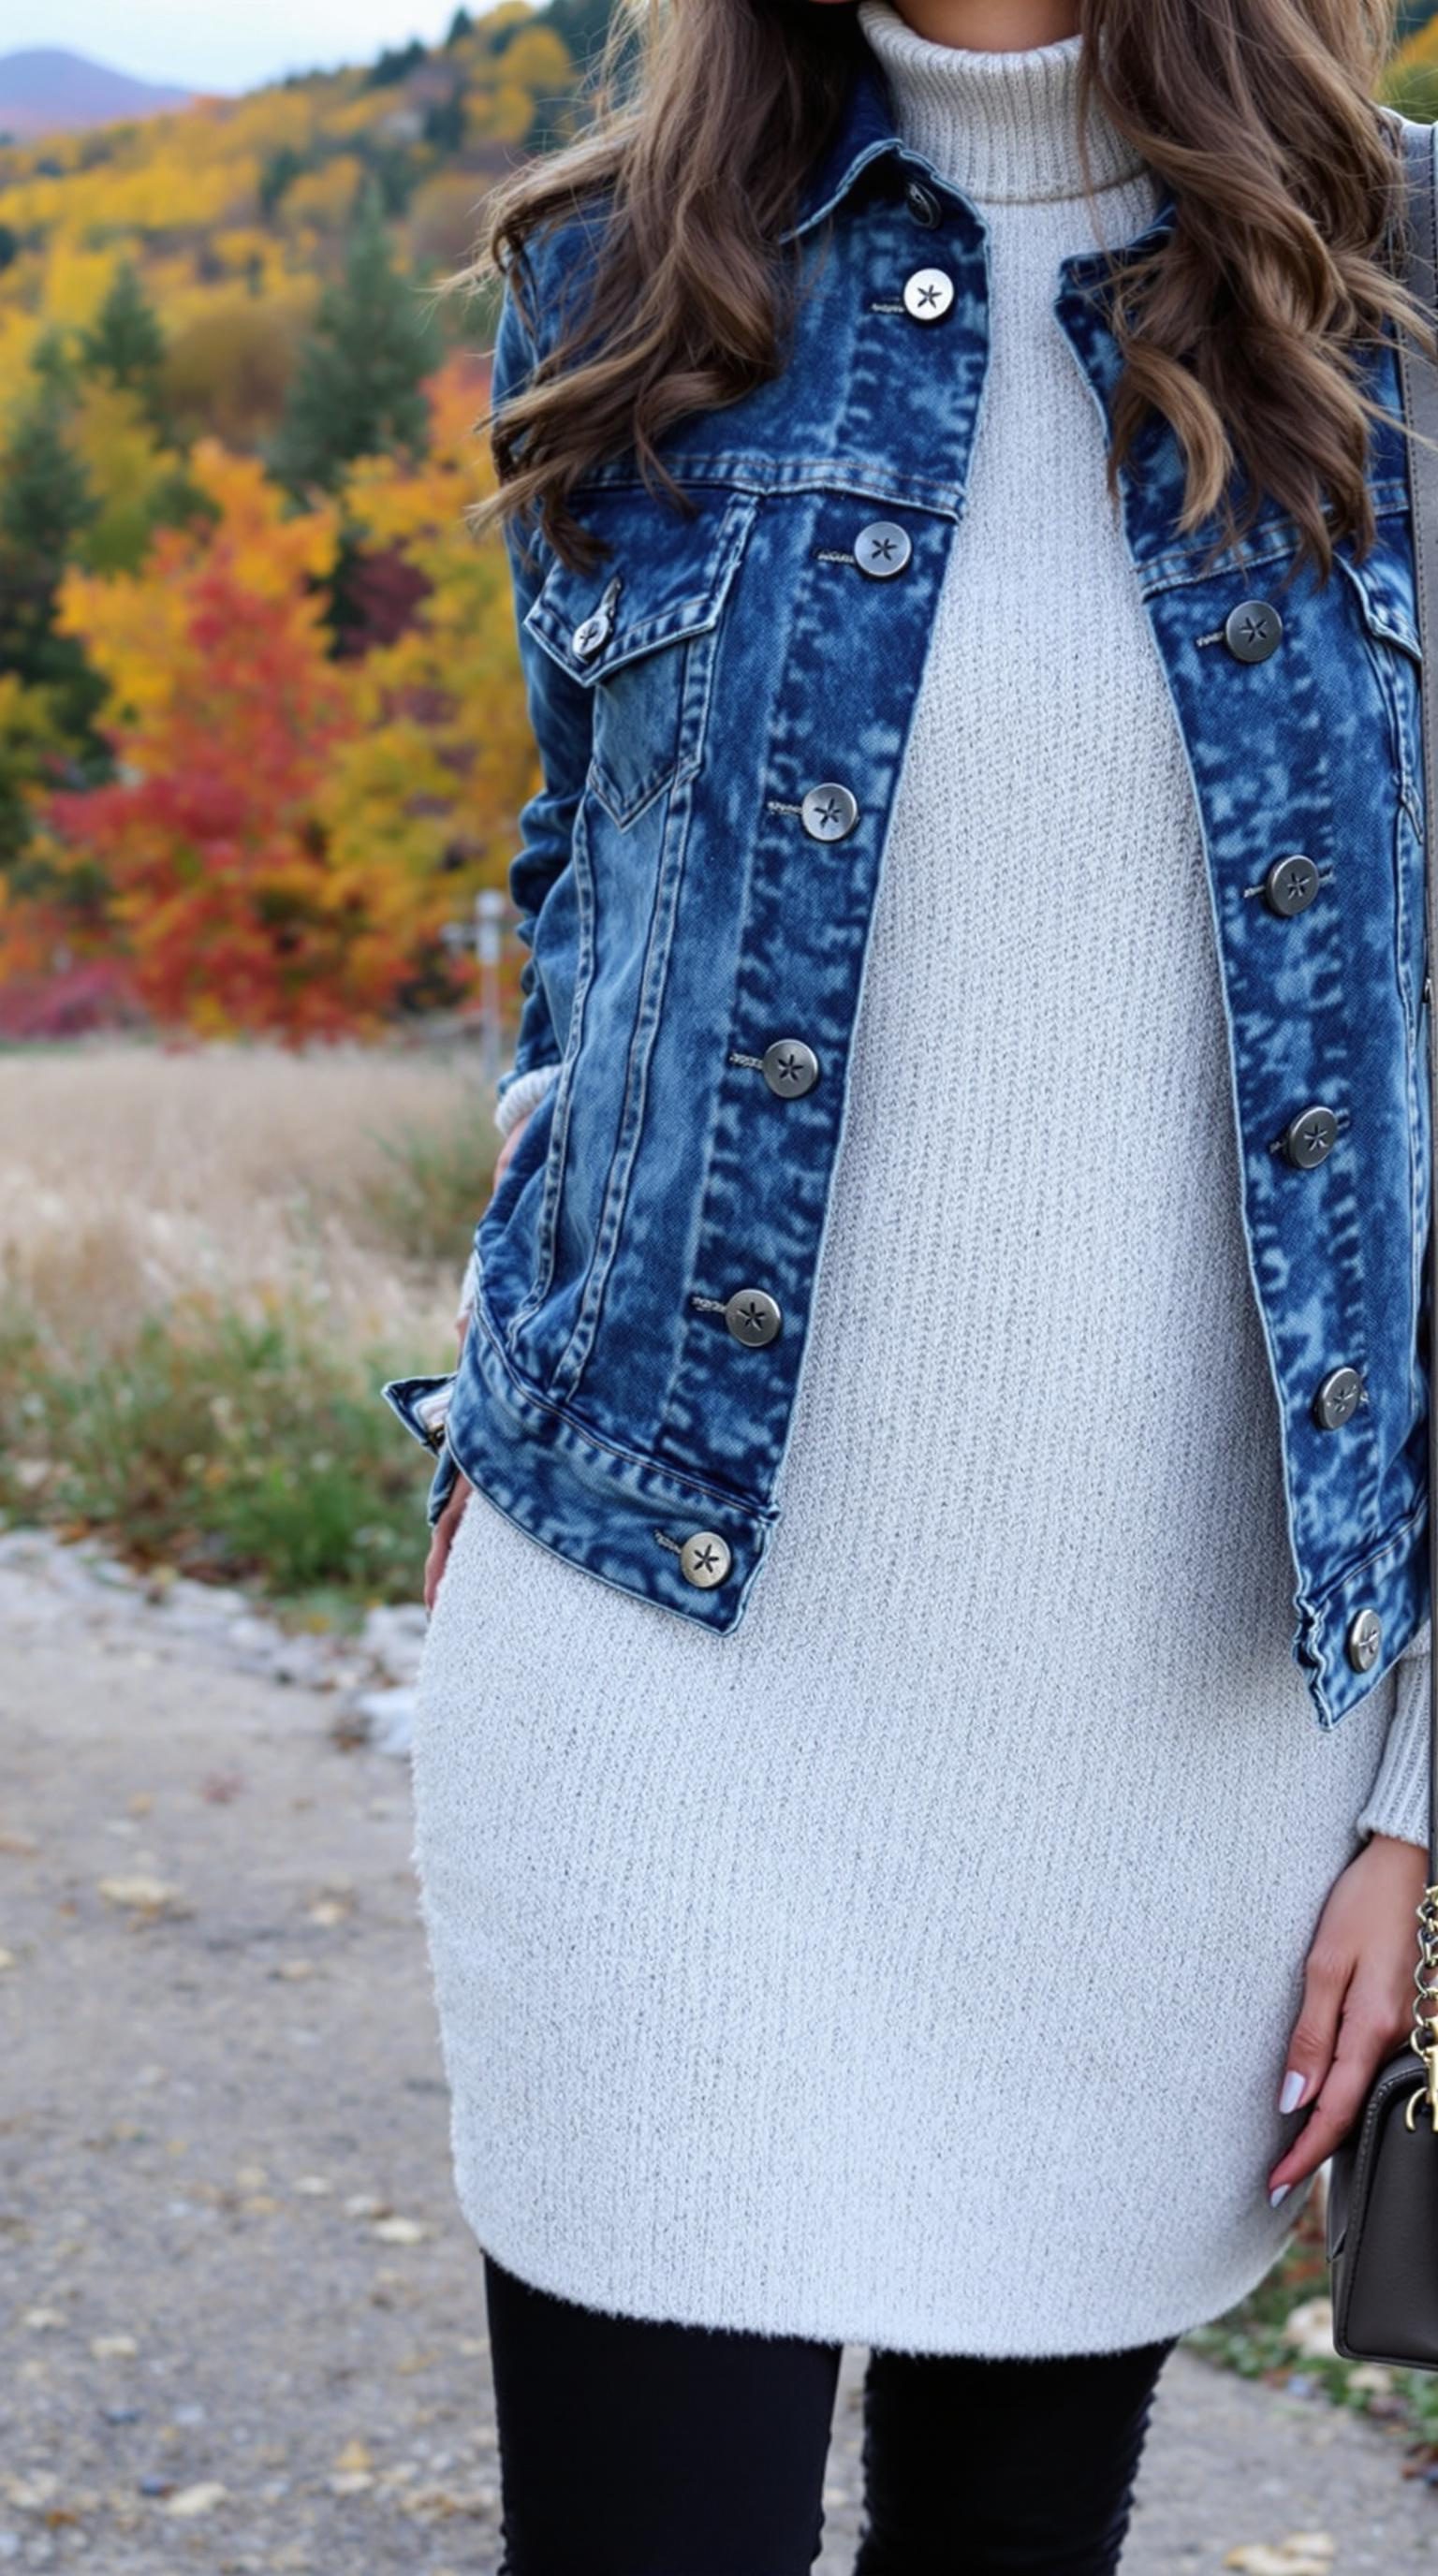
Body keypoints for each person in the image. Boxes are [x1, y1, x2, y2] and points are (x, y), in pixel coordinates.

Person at [392, 0, 1438, 2563]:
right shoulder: (623, 272)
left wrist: (1423, 1792)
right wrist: (517, 1357)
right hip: (656, 1671)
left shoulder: (1391, 280)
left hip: (1179, 1759)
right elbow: (589, 899)